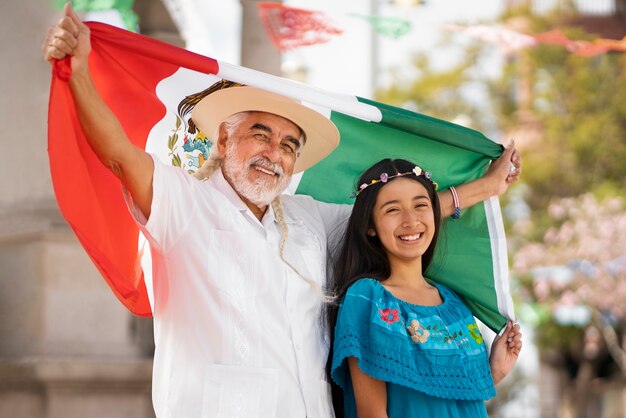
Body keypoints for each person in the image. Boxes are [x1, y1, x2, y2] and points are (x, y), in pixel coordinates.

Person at [44, 4, 521, 417]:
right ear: (225, 137)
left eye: (289, 145)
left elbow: (397, 215)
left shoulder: (309, 218)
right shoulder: (183, 202)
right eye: (261, 134)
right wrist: (81, 73)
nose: (275, 153)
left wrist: (483, 187)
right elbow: (118, 155)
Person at [329, 158, 523, 418]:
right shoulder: (369, 298)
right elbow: (371, 414)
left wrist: (494, 372)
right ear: (370, 227)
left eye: (421, 205)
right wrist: (487, 185)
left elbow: (454, 402)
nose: (411, 220)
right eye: (392, 210)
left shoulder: (455, 305)